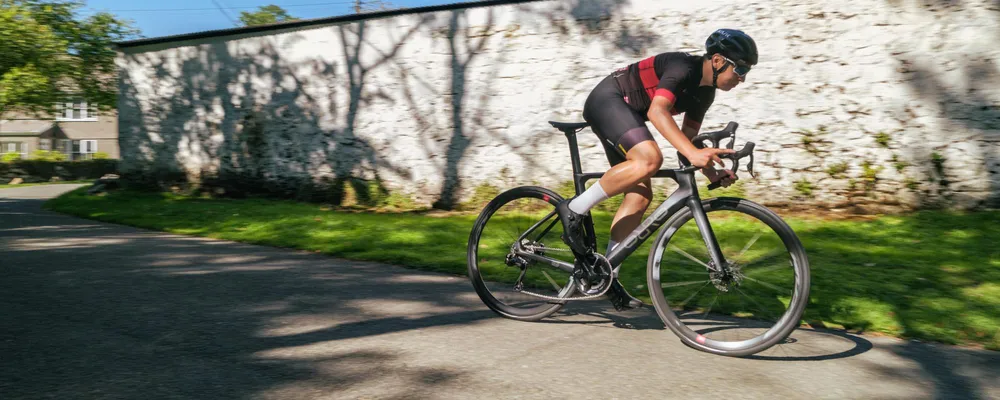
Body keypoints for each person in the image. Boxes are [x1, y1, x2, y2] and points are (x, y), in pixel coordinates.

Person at [557, 29, 758, 310]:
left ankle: (607, 277)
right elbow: (657, 112)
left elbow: (685, 143)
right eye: (740, 68)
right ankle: (574, 209)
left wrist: (710, 171)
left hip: (626, 114)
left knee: (640, 196)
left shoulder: (705, 94)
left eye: (747, 71)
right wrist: (693, 153)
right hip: (608, 100)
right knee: (650, 159)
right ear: (716, 60)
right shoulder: (682, 67)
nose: (743, 77)